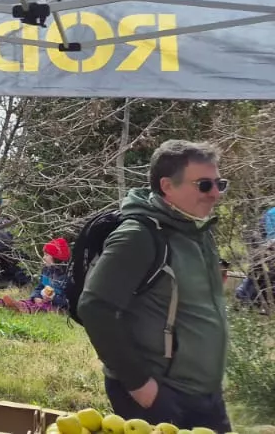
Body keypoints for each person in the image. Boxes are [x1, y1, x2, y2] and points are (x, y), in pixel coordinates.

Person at [77, 140, 232, 431]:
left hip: (205, 395)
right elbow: (95, 307)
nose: (215, 194)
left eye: (219, 184)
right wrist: (140, 386)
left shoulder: (196, 230)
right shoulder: (138, 235)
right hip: (161, 394)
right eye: (204, 185)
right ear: (167, 186)